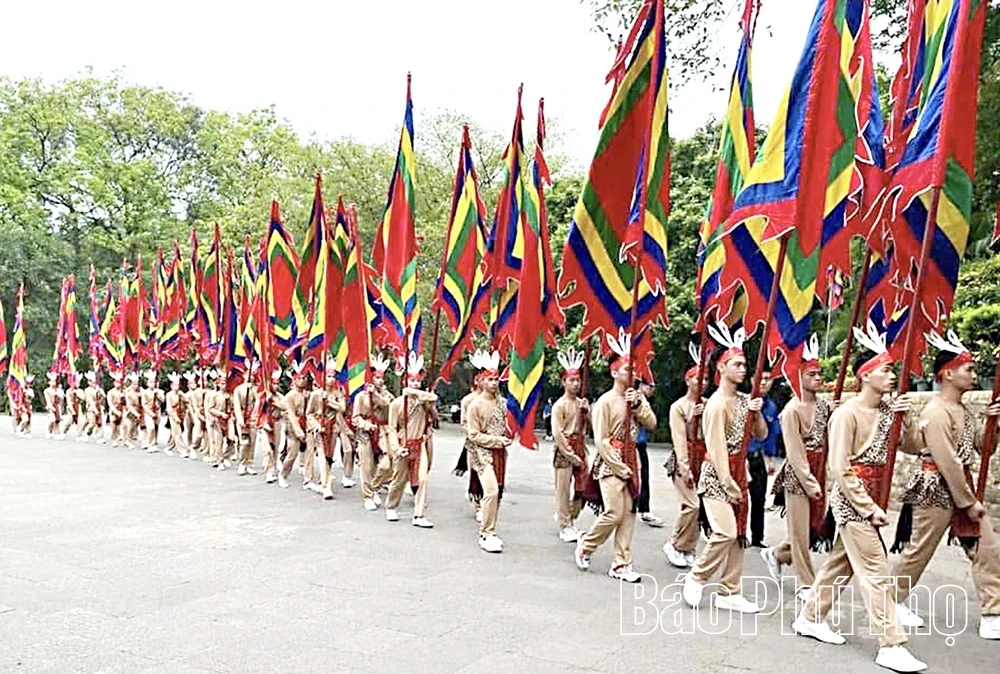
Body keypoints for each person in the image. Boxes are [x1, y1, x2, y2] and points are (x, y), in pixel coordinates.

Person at [793, 321, 927, 674]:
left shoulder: (887, 412)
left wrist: (906, 419)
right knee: (876, 570)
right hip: (852, 500)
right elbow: (838, 467)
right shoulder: (846, 414)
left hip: (873, 498)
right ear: (865, 376)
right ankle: (891, 644)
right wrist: (867, 506)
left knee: (843, 563)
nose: (891, 375)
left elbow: (914, 446)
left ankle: (810, 616)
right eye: (885, 370)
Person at [890, 330, 1000, 640]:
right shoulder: (936, 412)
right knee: (920, 549)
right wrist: (968, 501)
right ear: (947, 374)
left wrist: (995, 423)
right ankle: (891, 599)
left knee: (987, 548)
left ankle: (993, 612)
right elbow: (947, 460)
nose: (974, 374)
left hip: (960, 485)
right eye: (969, 369)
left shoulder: (962, 410)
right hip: (937, 486)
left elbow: (983, 447)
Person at [683, 323, 766, 613]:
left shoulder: (745, 401)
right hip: (718, 475)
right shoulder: (716, 404)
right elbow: (716, 446)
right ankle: (698, 575)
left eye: (745, 364)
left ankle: (730, 590)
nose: (743, 369)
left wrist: (755, 414)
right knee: (725, 532)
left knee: (739, 535)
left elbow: (762, 435)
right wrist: (728, 480)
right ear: (721, 367)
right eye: (737, 364)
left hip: (740, 471)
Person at [574, 331, 657, 582]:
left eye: (634, 370)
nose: (632, 374)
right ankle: (586, 544)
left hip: (634, 458)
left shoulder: (637, 398)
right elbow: (600, 440)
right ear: (614, 373)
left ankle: (621, 563)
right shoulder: (605, 402)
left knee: (630, 511)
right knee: (613, 511)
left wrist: (639, 406)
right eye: (626, 369)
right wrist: (618, 466)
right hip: (611, 462)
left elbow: (651, 423)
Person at [761, 335, 833, 598]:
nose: (818, 378)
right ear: (799, 376)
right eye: (812, 374)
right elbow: (794, 451)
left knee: (812, 528)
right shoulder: (791, 410)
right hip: (797, 476)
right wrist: (809, 481)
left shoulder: (825, 406)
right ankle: (806, 581)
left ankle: (776, 554)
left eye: (820, 373)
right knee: (800, 531)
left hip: (819, 469)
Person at [465, 350, 512, 553]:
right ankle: (486, 533)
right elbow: (473, 434)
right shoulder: (474, 405)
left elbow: (510, 425)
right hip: (482, 454)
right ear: (481, 381)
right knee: (491, 491)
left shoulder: (503, 404)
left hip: (500, 453)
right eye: (490, 379)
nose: (494, 383)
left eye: (496, 379)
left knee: (497, 493)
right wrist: (495, 440)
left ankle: (490, 527)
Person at [385, 353, 438, 527]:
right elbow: (392, 428)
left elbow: (433, 401)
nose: (415, 383)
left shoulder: (424, 400)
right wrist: (395, 447)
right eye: (411, 381)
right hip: (403, 444)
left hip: (420, 443)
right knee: (399, 479)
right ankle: (391, 506)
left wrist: (420, 398)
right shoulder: (396, 404)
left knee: (422, 478)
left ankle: (418, 515)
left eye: (418, 381)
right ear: (405, 381)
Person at [662, 355, 705, 569]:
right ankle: (675, 543)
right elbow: (680, 438)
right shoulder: (678, 407)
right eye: (698, 378)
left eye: (705, 378)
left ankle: (688, 546)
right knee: (692, 504)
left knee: (700, 506)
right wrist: (684, 466)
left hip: (704, 459)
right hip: (684, 458)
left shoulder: (708, 405)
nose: (702, 382)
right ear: (688, 380)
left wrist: (705, 417)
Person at [551, 349, 590, 543]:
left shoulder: (581, 403)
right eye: (571, 380)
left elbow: (591, 426)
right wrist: (569, 453)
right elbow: (557, 433)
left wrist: (587, 412)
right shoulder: (559, 405)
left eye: (577, 380)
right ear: (564, 382)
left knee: (583, 487)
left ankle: (570, 518)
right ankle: (565, 525)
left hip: (581, 444)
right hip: (565, 447)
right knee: (563, 488)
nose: (575, 383)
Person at [352, 354, 394, 509]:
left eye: (381, 378)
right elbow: (355, 418)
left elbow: (388, 405)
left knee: (386, 464)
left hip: (382, 431)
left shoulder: (387, 395)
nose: (380, 381)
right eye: (376, 378)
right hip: (365, 432)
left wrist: (375, 395)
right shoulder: (360, 397)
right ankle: (368, 496)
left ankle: (375, 486)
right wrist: (365, 425)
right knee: (367, 465)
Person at [747, 367, 779, 547]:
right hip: (742, 457)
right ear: (753, 380)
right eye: (761, 378)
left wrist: (771, 458)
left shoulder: (771, 406)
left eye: (768, 378)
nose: (764, 382)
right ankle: (736, 533)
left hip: (758, 457)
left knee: (759, 499)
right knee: (739, 498)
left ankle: (757, 537)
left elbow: (772, 435)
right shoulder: (744, 402)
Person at [635, 379, 664, 528]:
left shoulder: (645, 402)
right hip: (630, 445)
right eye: (649, 386)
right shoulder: (633, 399)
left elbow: (652, 424)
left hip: (641, 444)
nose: (652, 389)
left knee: (644, 477)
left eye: (653, 386)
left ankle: (644, 509)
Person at [279, 365, 310, 488]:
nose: (302, 380)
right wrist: (298, 431)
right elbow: (291, 415)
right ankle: (283, 475)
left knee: (309, 453)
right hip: (293, 427)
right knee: (292, 453)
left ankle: (308, 477)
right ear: (294, 379)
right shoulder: (289, 396)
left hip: (307, 425)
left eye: (304, 378)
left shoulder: (309, 394)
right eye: (299, 378)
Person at [256, 368, 286, 484]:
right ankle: (269, 471)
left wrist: (273, 400)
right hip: (265, 424)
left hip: (277, 423)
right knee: (267, 449)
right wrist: (265, 401)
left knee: (275, 448)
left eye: (277, 383)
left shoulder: (279, 396)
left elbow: (284, 407)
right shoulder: (262, 396)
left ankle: (274, 466)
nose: (276, 385)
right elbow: (257, 411)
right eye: (273, 383)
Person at [233, 363, 259, 476]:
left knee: (252, 442)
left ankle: (250, 463)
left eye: (252, 374)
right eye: (248, 374)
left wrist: (255, 415)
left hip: (253, 417)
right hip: (243, 417)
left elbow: (258, 402)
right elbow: (237, 406)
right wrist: (240, 419)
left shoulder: (257, 389)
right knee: (244, 442)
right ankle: (242, 463)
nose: (250, 376)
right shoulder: (238, 390)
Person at [205, 370, 231, 470]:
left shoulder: (230, 395)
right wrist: (220, 414)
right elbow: (210, 408)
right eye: (222, 383)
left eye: (225, 383)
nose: (224, 386)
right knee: (217, 440)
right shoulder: (214, 395)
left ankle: (226, 456)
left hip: (228, 420)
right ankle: (219, 460)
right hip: (218, 420)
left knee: (231, 440)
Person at [164, 373, 189, 457]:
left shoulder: (180, 393)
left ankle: (169, 447)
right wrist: (175, 417)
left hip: (180, 413)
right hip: (173, 415)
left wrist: (182, 395)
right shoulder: (169, 395)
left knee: (174, 432)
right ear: (171, 385)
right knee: (177, 432)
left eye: (178, 385)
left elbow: (187, 400)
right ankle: (182, 450)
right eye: (175, 385)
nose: (177, 386)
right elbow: (169, 408)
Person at [185, 370, 207, 460]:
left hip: (207, 415)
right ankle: (192, 446)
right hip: (196, 414)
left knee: (207, 435)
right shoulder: (195, 393)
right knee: (197, 433)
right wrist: (198, 414)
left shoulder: (209, 392)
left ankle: (207, 452)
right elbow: (193, 405)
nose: (203, 382)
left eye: (205, 380)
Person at [80, 371, 107, 444]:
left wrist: (100, 392)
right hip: (91, 408)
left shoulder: (98, 389)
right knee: (92, 423)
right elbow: (90, 400)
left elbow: (104, 396)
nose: (93, 383)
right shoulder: (87, 390)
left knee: (100, 423)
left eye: (94, 381)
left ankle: (100, 437)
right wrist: (95, 409)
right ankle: (85, 434)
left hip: (99, 407)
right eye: (92, 381)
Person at [141, 370, 163, 452]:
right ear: (147, 383)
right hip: (149, 412)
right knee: (150, 427)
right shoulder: (145, 392)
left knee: (155, 427)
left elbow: (163, 400)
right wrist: (150, 413)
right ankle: (149, 443)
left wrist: (158, 395)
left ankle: (152, 442)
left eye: (153, 382)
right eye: (150, 382)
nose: (152, 384)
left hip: (157, 411)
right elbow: (144, 404)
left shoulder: (159, 391)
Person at [122, 372, 143, 449]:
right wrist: (135, 413)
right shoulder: (128, 393)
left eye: (136, 384)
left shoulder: (140, 392)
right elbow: (129, 405)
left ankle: (128, 439)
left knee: (134, 426)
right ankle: (126, 440)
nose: (135, 386)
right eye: (134, 384)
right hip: (129, 411)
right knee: (129, 425)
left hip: (138, 410)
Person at [63, 374, 85, 440]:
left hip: (78, 407)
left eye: (78, 382)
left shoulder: (80, 391)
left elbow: (83, 398)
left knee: (80, 421)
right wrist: (72, 410)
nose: (77, 384)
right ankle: (64, 432)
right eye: (76, 382)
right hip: (71, 407)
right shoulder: (69, 391)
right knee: (69, 421)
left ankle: (79, 435)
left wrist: (78, 394)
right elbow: (68, 401)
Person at [44, 372, 65, 440]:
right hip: (50, 406)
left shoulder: (58, 390)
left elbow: (62, 398)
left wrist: (59, 394)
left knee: (57, 420)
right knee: (52, 419)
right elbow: (48, 401)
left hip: (57, 406)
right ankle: (49, 431)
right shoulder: (46, 391)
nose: (53, 383)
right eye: (51, 381)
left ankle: (57, 432)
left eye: (54, 381)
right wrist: (51, 407)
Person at [107, 372, 126, 446]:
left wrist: (123, 397)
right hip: (113, 411)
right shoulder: (110, 392)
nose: (118, 384)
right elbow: (110, 403)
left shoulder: (124, 391)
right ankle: (114, 439)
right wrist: (115, 411)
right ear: (114, 383)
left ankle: (125, 439)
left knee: (124, 425)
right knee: (114, 425)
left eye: (119, 382)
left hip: (122, 410)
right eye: (116, 382)